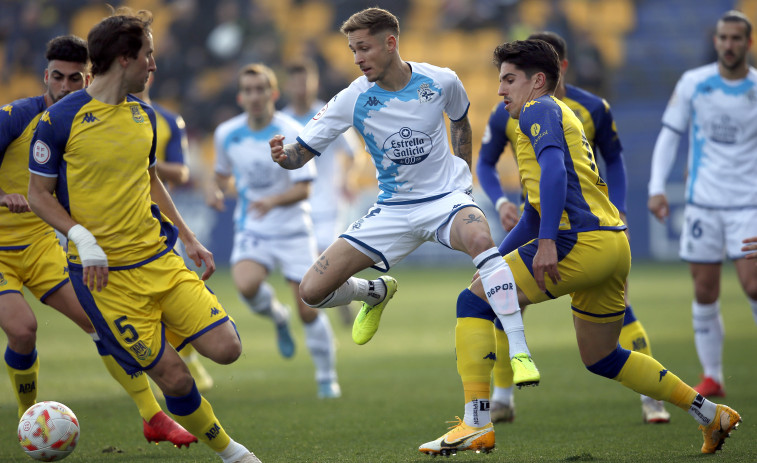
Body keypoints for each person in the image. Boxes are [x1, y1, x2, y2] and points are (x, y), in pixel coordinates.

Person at [419, 38, 742, 457]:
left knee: (473, 303)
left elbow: (553, 173)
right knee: (602, 356)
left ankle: (476, 423)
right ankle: (709, 414)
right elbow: (536, 211)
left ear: (538, 81)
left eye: (509, 80)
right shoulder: (554, 114)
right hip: (612, 245)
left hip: (578, 242)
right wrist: (495, 258)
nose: (500, 90)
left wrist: (550, 241)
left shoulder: (538, 109)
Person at [27, 9, 260, 463]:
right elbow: (38, 196)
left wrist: (189, 237)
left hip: (159, 259)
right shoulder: (59, 121)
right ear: (124, 59)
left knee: (227, 349)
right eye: (148, 55)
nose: (154, 64)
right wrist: (82, 239)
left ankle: (160, 330)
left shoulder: (143, 116)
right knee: (175, 379)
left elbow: (151, 179)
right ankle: (231, 453)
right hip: (105, 280)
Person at [269, 7, 539, 389]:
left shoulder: (441, 80)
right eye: (352, 51)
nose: (358, 58)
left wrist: (461, 181)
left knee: (482, 241)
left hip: (445, 200)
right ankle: (375, 291)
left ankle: (519, 350)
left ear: (390, 42)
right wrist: (284, 157)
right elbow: (300, 154)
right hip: (392, 209)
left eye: (364, 48)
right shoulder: (353, 98)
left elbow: (460, 118)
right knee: (311, 291)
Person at [0, 34, 196, 448]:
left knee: (98, 323)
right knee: (23, 330)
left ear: (89, 77)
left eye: (75, 78)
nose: (66, 87)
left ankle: (152, 416)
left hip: (39, 245)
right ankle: (29, 421)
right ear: (46, 76)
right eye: (58, 77)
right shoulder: (16, 117)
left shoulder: (89, 120)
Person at [477, 31, 669, 424]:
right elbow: (485, 162)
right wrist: (500, 202)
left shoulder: (589, 107)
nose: (504, 87)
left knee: (612, 316)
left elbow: (612, 160)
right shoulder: (509, 111)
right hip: (540, 218)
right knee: (502, 300)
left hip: (582, 227)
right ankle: (502, 397)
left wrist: (616, 211)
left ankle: (653, 398)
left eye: (512, 78)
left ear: (552, 70)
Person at [209, 63, 341, 399]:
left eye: (261, 89)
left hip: (294, 229)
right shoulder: (227, 133)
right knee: (246, 285)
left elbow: (304, 189)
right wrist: (216, 190)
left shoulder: (292, 131)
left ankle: (327, 377)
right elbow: (222, 174)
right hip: (253, 227)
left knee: (309, 308)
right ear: (240, 96)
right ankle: (277, 316)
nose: (255, 96)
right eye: (248, 90)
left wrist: (272, 201)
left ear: (273, 94)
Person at [648, 10, 757, 398]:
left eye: (736, 38)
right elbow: (669, 134)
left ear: (749, 42)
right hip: (703, 205)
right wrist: (657, 186)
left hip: (748, 205)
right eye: (723, 38)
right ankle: (713, 375)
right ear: (716, 42)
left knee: (754, 285)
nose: (729, 45)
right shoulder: (694, 83)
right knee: (705, 289)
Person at [133, 73, 214, 393]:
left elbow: (181, 172)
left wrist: (142, 161)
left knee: (172, 298)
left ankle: (189, 358)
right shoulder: (102, 116)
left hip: (160, 222)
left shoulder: (167, 120)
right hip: (118, 224)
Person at [280, 59, 363, 327]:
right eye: (296, 80)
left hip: (328, 203)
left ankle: (341, 298)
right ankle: (340, 300)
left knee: (322, 261)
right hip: (295, 205)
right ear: (287, 85)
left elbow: (355, 153)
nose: (301, 86)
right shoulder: (281, 120)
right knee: (311, 268)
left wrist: (348, 179)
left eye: (305, 80)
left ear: (314, 83)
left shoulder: (329, 113)